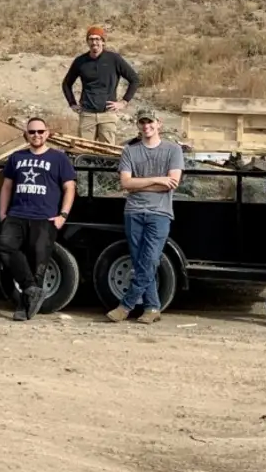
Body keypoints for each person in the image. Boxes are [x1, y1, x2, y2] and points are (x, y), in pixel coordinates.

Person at [107, 107, 184, 324]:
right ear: (138, 125)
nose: (146, 126)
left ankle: (126, 305)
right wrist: (158, 180)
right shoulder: (130, 151)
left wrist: (140, 184)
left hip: (159, 213)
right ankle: (152, 308)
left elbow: (172, 184)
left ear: (159, 123)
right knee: (140, 261)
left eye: (150, 122)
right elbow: (125, 183)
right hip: (133, 212)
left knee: (149, 260)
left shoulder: (172, 150)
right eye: (142, 122)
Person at [0, 117, 77, 320]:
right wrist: (3, 213)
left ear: (47, 133)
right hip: (16, 214)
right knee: (5, 247)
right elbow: (6, 186)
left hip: (45, 218)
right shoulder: (17, 157)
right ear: (26, 135)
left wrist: (63, 215)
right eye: (32, 132)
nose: (36, 135)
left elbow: (70, 187)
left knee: (37, 262)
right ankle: (30, 288)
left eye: (40, 131)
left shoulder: (59, 158)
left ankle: (24, 308)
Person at [62, 26, 140, 145]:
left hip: (107, 114)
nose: (94, 42)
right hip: (87, 114)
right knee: (83, 151)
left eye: (98, 39)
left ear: (103, 41)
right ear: (87, 41)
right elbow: (66, 83)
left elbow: (134, 79)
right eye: (91, 39)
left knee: (107, 152)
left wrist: (123, 102)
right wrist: (72, 103)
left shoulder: (114, 59)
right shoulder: (80, 61)